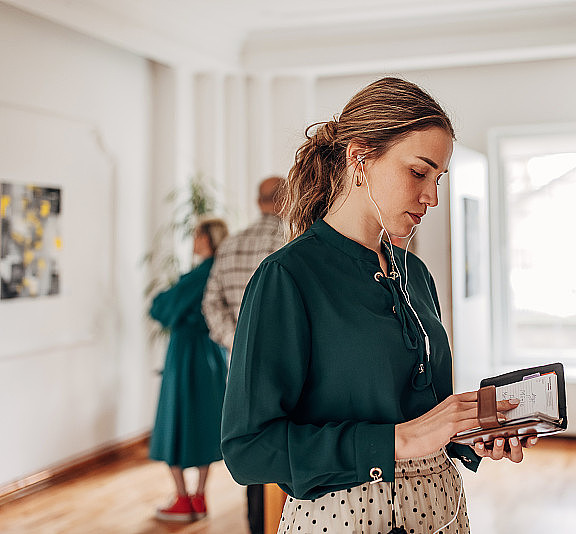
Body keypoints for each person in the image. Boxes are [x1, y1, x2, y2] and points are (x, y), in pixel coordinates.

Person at [220, 77, 536, 534]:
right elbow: (249, 450)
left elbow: (424, 411)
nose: (431, 196)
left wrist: (471, 431)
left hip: (443, 511)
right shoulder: (287, 277)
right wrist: (397, 441)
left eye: (437, 179)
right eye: (418, 172)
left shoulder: (416, 274)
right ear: (360, 157)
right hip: (344, 520)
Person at [201, 176, 285, 534]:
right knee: (283, 448)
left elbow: (211, 303)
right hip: (283, 363)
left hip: (241, 365)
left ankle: (255, 524)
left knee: (253, 445)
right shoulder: (290, 242)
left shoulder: (231, 244)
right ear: (287, 200)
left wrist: (236, 340)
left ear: (257, 201)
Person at [149, 217, 229, 522]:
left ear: (208, 239)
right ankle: (199, 496)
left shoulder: (200, 274)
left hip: (186, 354)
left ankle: (183, 499)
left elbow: (161, 307)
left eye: (197, 235)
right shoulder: (220, 269)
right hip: (212, 352)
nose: (193, 240)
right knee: (205, 420)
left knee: (176, 420)